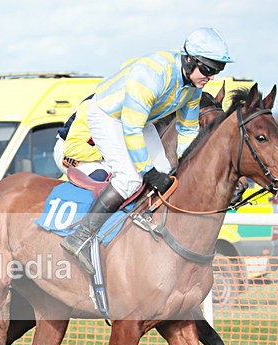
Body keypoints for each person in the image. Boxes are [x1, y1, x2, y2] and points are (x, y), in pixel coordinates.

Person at [60, 27, 233, 276]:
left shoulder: (192, 89)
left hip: (139, 120)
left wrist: (189, 167)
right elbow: (130, 129)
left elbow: (187, 131)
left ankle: (143, 221)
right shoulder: (152, 74)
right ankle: (79, 238)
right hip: (109, 116)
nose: (211, 77)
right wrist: (147, 172)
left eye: (217, 70)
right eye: (208, 69)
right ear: (189, 60)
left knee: (168, 171)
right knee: (130, 178)